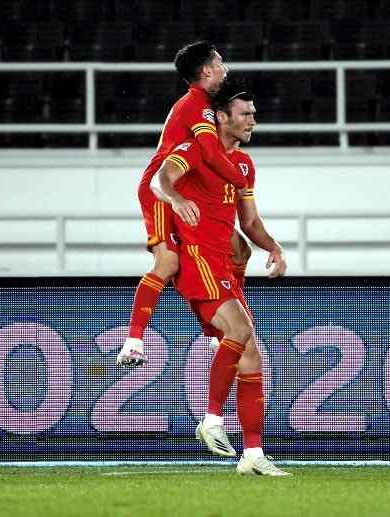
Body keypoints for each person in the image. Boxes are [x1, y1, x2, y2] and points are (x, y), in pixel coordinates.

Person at [151, 77, 289, 476]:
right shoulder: (194, 148)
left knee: (251, 358)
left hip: (221, 265)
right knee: (242, 329)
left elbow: (250, 221)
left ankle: (252, 456)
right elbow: (161, 180)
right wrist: (177, 198)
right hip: (197, 260)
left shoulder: (243, 164)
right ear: (222, 117)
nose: (252, 120)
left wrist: (275, 247)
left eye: (254, 114)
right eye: (245, 113)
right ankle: (211, 418)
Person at [117, 40, 251, 368]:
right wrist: (239, 180)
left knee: (239, 250)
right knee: (168, 263)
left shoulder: (206, 103)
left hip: (191, 186)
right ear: (207, 70)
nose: (225, 69)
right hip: (165, 186)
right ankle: (133, 341)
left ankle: (212, 333)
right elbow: (208, 151)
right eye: (220, 63)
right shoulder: (197, 104)